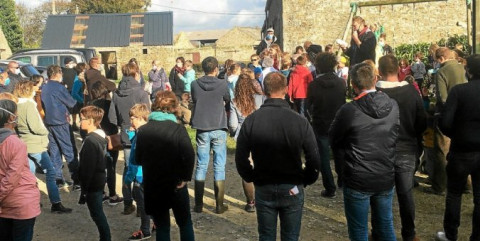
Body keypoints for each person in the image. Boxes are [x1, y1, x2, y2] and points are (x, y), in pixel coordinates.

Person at [235, 72, 320, 240]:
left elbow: (240, 156)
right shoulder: (300, 121)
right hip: (291, 184)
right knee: (291, 236)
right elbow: (314, 157)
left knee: (266, 235)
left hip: (265, 183)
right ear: (287, 90)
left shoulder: (252, 120)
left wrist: (251, 176)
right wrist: (307, 178)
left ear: (265, 91)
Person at [329, 63, 399, 241]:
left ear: (353, 85)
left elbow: (334, 137)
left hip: (358, 176)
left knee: (359, 229)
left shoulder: (350, 110)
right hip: (383, 172)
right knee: (385, 224)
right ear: (376, 79)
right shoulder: (393, 105)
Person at [376, 55, 426, 241]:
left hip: (382, 148)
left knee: (382, 194)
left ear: (379, 72)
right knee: (405, 194)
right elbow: (421, 121)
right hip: (406, 146)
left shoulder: (376, 93)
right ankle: (409, 233)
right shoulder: (411, 92)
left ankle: (380, 231)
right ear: (399, 69)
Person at [135, 91, 195, 241]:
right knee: (185, 223)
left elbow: (138, 158)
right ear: (174, 108)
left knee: (162, 226)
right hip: (176, 183)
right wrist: (185, 176)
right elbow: (189, 154)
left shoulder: (143, 130)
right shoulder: (178, 129)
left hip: (154, 183)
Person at [435, 54, 480, 241]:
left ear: (468, 70)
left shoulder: (459, 92)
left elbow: (445, 122)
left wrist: (457, 135)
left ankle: (451, 234)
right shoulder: (460, 91)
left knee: (454, 194)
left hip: (462, 149)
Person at [14, 80, 73, 213]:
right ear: (28, 90)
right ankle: (56, 203)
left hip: (25, 143)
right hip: (36, 145)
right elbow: (36, 127)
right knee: (50, 172)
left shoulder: (18, 105)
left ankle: (32, 200)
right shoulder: (29, 105)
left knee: (30, 173)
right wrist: (46, 131)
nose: (35, 90)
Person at [109, 62, 150, 215]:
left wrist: (124, 123)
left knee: (128, 169)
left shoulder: (116, 93)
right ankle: (141, 206)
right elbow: (148, 115)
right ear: (136, 73)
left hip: (126, 135)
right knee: (141, 170)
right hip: (141, 135)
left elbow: (112, 117)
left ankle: (127, 204)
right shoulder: (141, 93)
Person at [190, 56, 230, 214]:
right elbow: (227, 98)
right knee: (219, 165)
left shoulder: (194, 84)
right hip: (218, 125)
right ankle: (219, 205)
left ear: (203, 69)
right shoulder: (222, 84)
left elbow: (194, 99)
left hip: (202, 126)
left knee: (201, 164)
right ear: (216, 69)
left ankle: (198, 205)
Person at [425, 47, 467, 196]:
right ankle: (466, 185)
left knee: (442, 151)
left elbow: (443, 98)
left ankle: (439, 186)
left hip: (448, 116)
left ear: (441, 58)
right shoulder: (463, 68)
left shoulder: (442, 71)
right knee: (463, 149)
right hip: (466, 115)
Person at [0, 99, 41, 241]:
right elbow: (12, 177)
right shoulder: (16, 143)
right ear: (11, 117)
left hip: (6, 205)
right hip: (20, 204)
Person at [307, 52, 346, 198]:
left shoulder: (313, 85)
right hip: (338, 123)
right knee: (340, 153)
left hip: (321, 123)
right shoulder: (341, 83)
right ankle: (342, 180)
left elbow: (309, 106)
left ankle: (330, 187)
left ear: (318, 66)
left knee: (323, 157)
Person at [229, 74, 264, 213]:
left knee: (247, 170)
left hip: (243, 136)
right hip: (260, 135)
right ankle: (263, 198)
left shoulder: (235, 101)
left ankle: (250, 202)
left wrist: (235, 133)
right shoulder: (260, 98)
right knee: (262, 166)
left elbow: (232, 124)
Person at [41, 65, 79, 189]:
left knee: (55, 150)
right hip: (60, 121)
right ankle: (77, 180)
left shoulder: (45, 87)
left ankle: (58, 179)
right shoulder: (59, 87)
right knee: (69, 150)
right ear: (58, 73)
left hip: (49, 121)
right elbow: (71, 103)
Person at [77, 106, 111, 241]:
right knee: (97, 213)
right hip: (99, 180)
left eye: (82, 119)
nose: (80, 122)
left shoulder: (90, 141)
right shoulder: (99, 137)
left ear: (91, 121)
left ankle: (105, 238)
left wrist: (84, 190)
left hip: (93, 183)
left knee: (97, 214)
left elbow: (87, 168)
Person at [91, 81, 123, 205]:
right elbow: (115, 121)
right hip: (111, 137)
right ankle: (113, 194)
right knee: (111, 167)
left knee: (99, 167)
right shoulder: (110, 104)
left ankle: (101, 192)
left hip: (96, 138)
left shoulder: (91, 105)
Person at [124, 104, 152, 240]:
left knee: (142, 204)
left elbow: (134, 161)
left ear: (141, 118)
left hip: (140, 176)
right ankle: (156, 223)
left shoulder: (140, 136)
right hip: (152, 174)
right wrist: (132, 135)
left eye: (133, 118)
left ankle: (145, 230)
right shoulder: (150, 131)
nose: (131, 121)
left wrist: (127, 179)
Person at [71, 63, 86, 131]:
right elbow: (74, 93)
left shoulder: (82, 78)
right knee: (83, 121)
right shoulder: (78, 80)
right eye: (85, 68)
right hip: (81, 103)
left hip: (83, 102)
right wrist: (82, 100)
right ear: (82, 70)